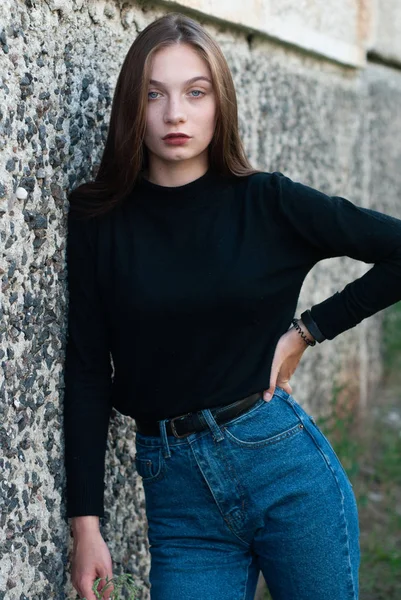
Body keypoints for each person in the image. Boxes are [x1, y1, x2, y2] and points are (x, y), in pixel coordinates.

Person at [63, 11, 401, 600]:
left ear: (220, 104)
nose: (175, 114)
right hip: (180, 505)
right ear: (130, 109)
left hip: (286, 474)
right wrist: (85, 524)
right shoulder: (100, 220)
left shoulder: (267, 203)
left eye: (196, 93)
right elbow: (88, 369)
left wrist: (308, 330)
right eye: (154, 95)